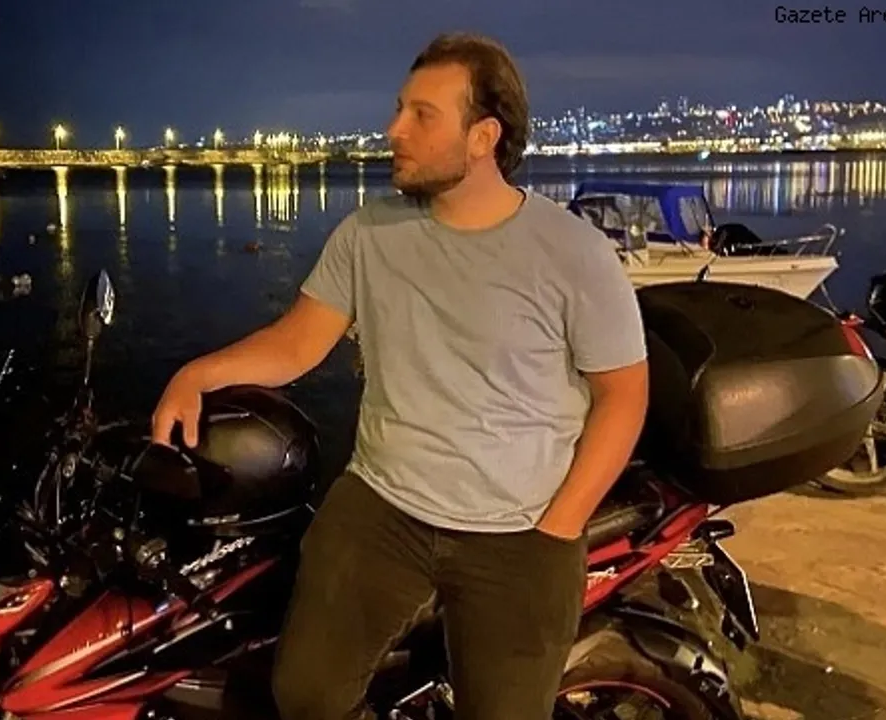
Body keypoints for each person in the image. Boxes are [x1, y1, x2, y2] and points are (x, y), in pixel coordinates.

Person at [150, 32, 649, 720]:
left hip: (521, 530)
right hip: (383, 504)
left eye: (422, 115)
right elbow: (297, 343)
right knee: (306, 695)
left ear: (483, 137)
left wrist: (560, 524)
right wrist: (196, 375)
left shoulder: (574, 254)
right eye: (398, 109)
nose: (393, 130)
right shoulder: (369, 233)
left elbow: (623, 395)